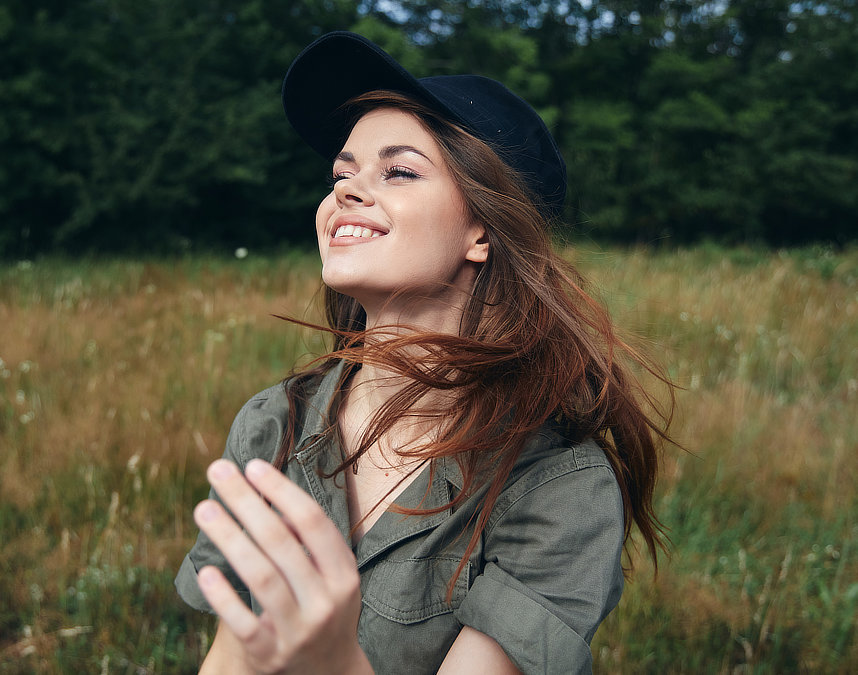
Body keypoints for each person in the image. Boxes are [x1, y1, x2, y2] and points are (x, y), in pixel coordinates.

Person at [175, 31, 671, 674]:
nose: (344, 192)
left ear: (482, 230)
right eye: (342, 172)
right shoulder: (274, 423)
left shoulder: (558, 486)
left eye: (399, 170)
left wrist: (329, 662)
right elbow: (228, 659)